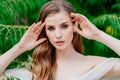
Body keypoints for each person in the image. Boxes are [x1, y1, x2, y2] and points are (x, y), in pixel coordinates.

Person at [0, 0, 120, 80]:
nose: (58, 35)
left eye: (64, 26)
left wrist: (98, 35)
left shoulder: (93, 64)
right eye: (51, 28)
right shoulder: (34, 68)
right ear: (45, 32)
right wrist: (19, 47)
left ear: (74, 26)